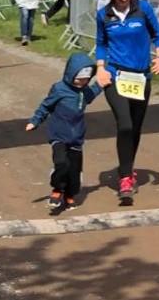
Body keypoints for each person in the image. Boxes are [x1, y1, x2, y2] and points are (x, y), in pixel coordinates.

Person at [95, 0, 159, 205]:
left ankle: (127, 167)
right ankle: (125, 178)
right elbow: (101, 43)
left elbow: (158, 35)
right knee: (124, 123)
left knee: (134, 128)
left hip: (141, 77)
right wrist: (100, 68)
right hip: (116, 75)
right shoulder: (103, 15)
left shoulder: (143, 9)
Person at [25, 53, 101, 211]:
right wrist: (35, 121)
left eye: (86, 80)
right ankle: (57, 189)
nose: (82, 82)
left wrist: (101, 84)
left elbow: (91, 94)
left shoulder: (84, 91)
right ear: (70, 74)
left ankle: (70, 194)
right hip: (59, 135)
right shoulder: (59, 89)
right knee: (61, 163)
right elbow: (46, 106)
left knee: (75, 171)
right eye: (79, 79)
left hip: (77, 137)